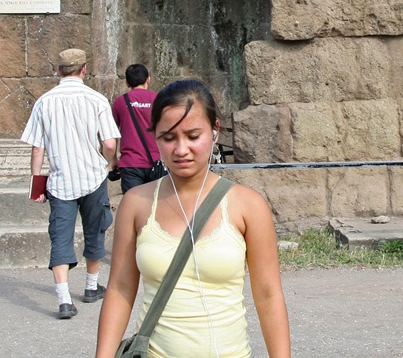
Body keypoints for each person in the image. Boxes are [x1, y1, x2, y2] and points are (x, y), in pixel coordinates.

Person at [96, 79, 290, 358]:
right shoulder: (136, 204)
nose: (181, 149)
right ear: (155, 138)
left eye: (193, 136)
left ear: (215, 132)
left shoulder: (248, 205)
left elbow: (269, 294)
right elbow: (120, 289)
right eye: (169, 137)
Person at [21, 48, 121, 320]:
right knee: (96, 229)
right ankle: (90, 286)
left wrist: (37, 184)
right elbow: (110, 143)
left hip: (60, 182)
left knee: (60, 236)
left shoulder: (44, 102)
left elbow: (37, 148)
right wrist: (107, 162)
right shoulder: (97, 100)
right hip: (92, 177)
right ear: (84, 69)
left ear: (58, 70)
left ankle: (64, 300)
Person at [111, 63, 166, 193]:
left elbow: (112, 133)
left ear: (127, 83)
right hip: (157, 162)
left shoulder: (120, 102)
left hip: (130, 163)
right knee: (159, 207)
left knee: (133, 207)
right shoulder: (159, 100)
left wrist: (113, 159)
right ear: (148, 79)